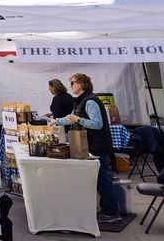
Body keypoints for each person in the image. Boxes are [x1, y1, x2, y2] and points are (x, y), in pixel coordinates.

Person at [49, 73, 122, 224]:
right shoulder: (81, 100)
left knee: (103, 179)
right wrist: (56, 121)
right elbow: (71, 118)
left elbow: (97, 124)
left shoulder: (90, 101)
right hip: (93, 144)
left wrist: (79, 119)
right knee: (100, 179)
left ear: (82, 84)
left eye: (73, 83)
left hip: (98, 146)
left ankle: (112, 212)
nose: (70, 86)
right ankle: (107, 209)